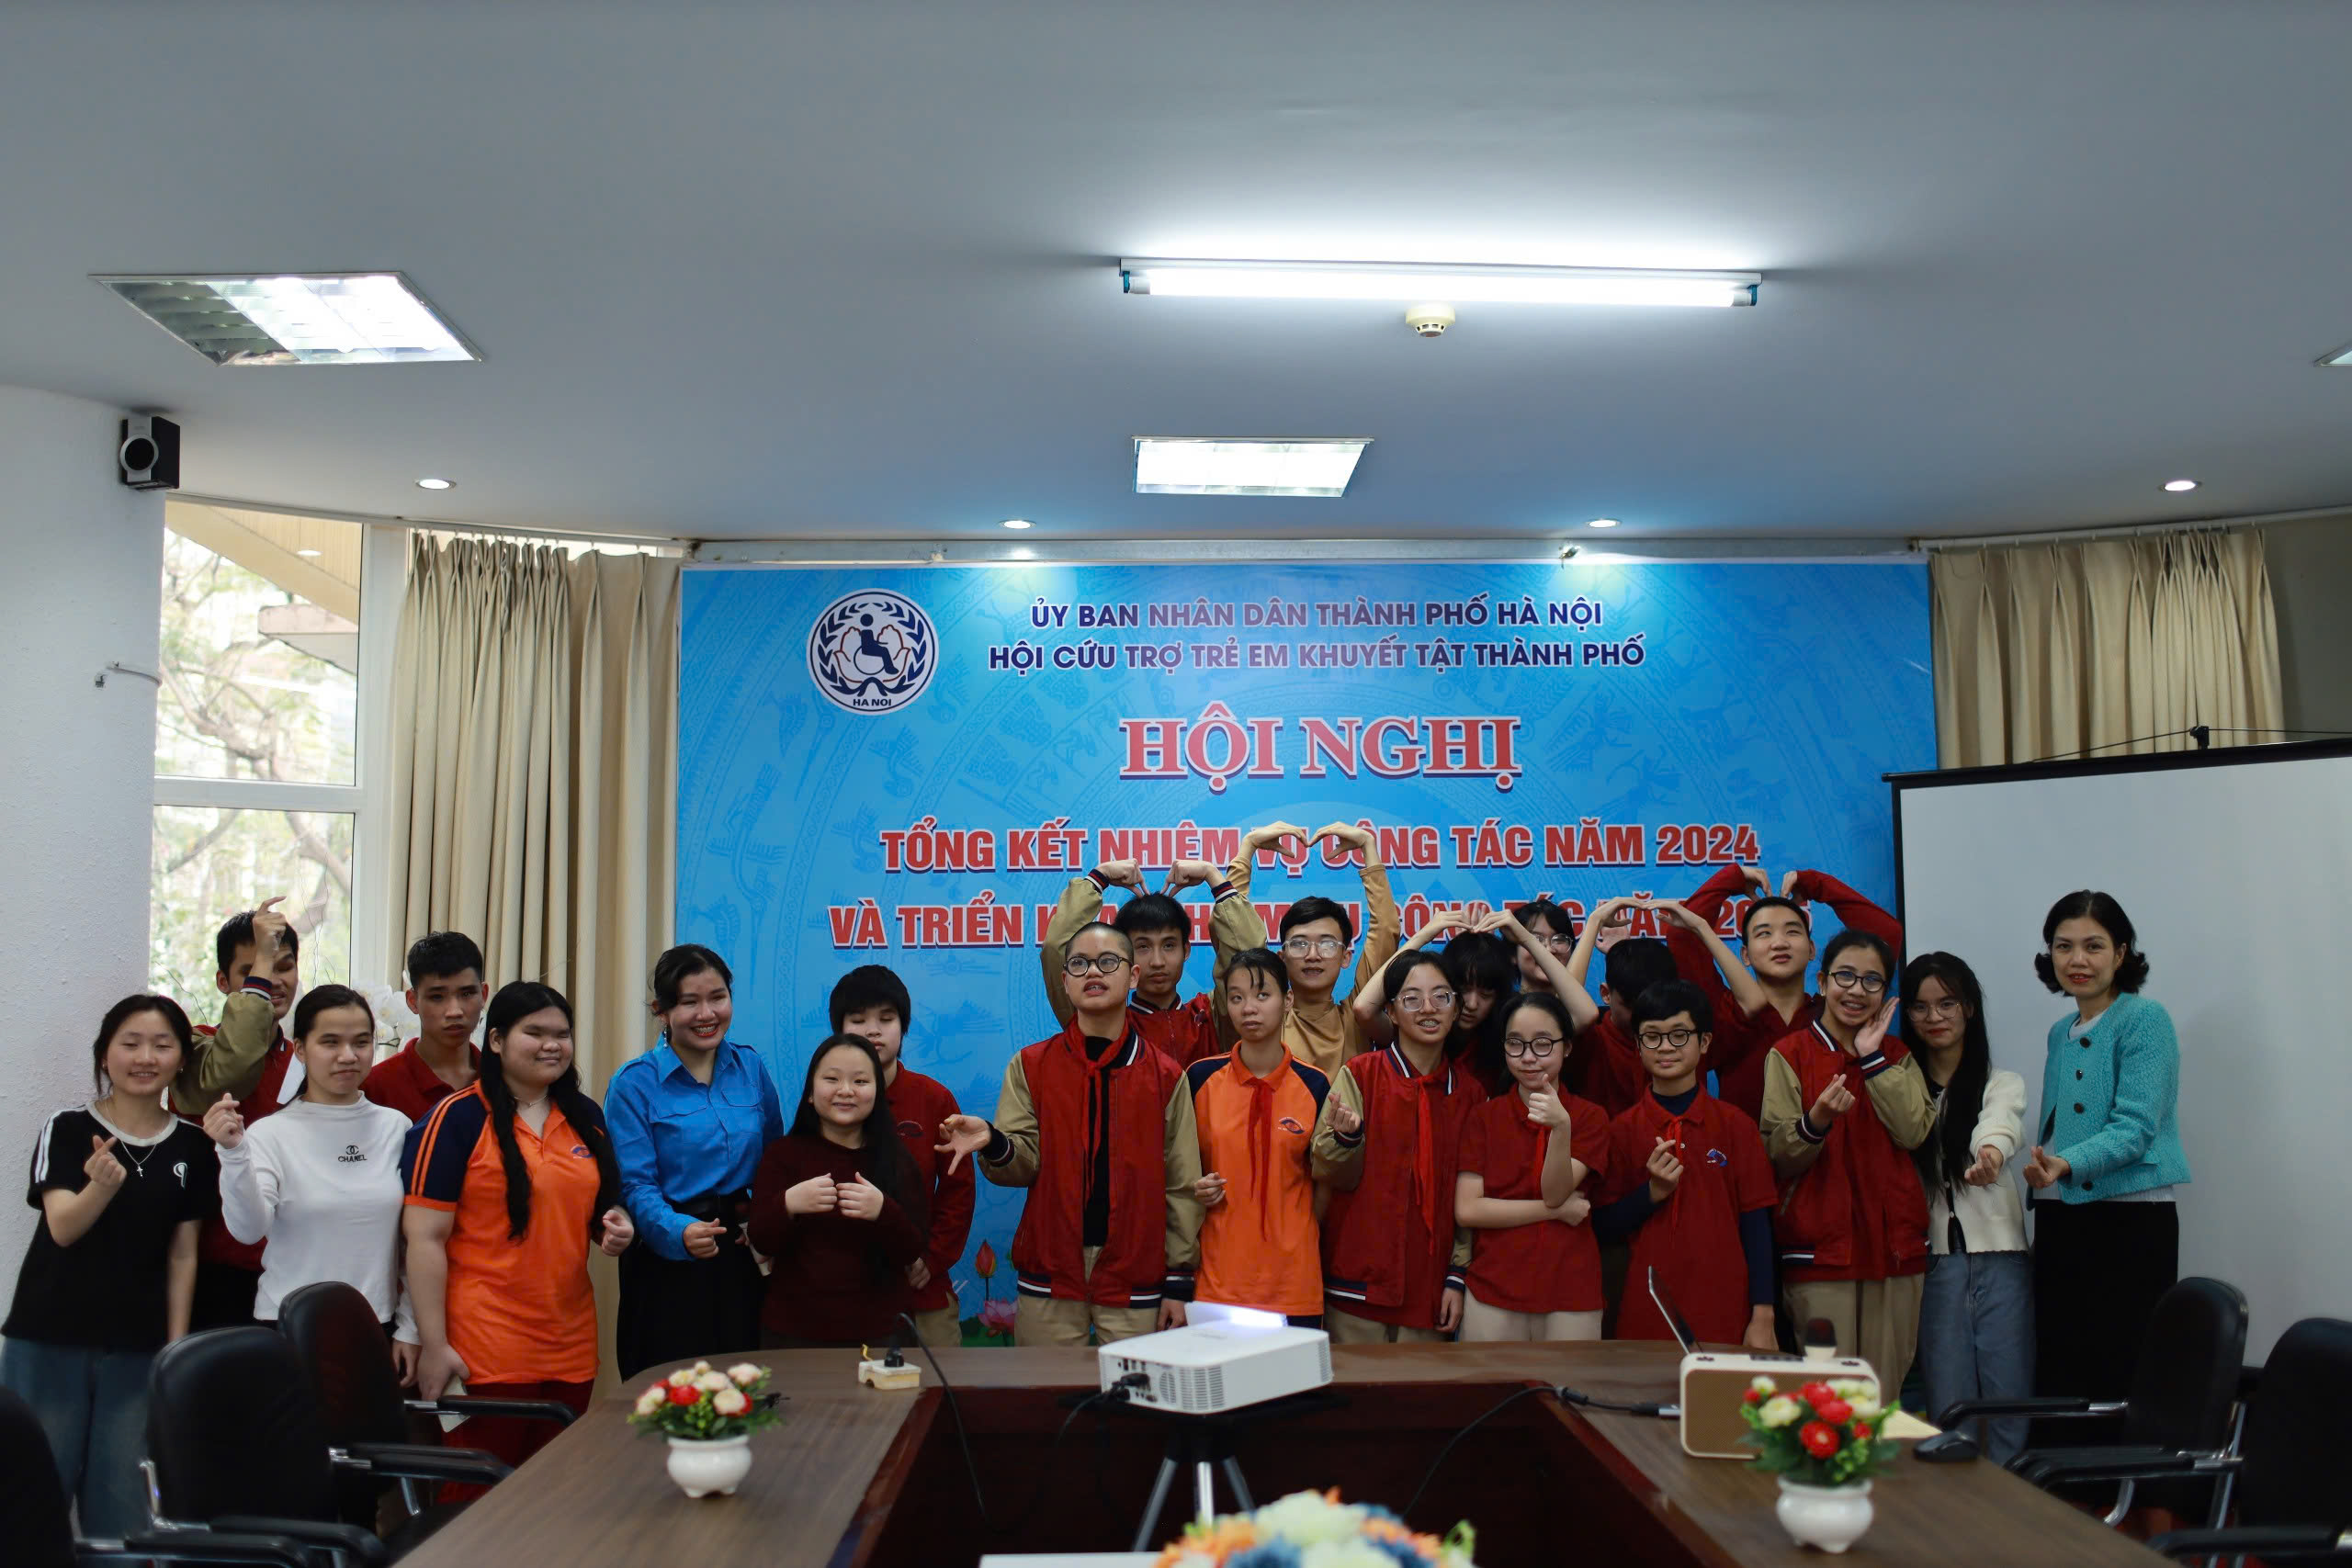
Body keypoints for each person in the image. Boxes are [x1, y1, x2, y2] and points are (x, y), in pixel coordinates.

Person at [402, 982, 634, 1485]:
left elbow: (600, 1207)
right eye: (535, 1033)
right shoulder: (455, 1119)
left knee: (555, 1494)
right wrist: (434, 1345)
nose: (552, 1045)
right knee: (479, 1501)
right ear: (496, 1041)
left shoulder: (585, 1116)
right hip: (483, 1349)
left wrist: (616, 1226)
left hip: (570, 1346)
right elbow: (423, 1240)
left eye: (562, 1034)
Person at [2, 996, 216, 1537]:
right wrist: (99, 1187)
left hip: (139, 1348)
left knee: (122, 1501)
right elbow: (63, 1228)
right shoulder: (68, 1127)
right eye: (130, 1044)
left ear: (181, 1059)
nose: (146, 1058)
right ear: (104, 1055)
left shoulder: (193, 1145)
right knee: (32, 1492)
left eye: (162, 1045)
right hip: (49, 1339)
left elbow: (184, 1252)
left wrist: (174, 1348)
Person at [936, 922, 1204, 1347]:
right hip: (1050, 1278)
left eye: (1108, 962)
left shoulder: (1166, 1076)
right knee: (1044, 1390)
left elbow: (1182, 1185)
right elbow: (1019, 1167)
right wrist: (995, 1140)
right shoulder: (1031, 1065)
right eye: (1080, 964)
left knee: (1137, 1390)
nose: (1093, 972)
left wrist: (1178, 1281)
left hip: (1136, 1281)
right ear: (1065, 981)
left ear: (1133, 976)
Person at [2021, 891, 2188, 1418]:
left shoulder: (2145, 1018)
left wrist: (2066, 1165)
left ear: (2120, 953)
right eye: (2063, 946)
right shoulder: (2060, 1031)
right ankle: (2063, 1470)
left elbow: (2136, 1128)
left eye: (2093, 946)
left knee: (2123, 1361)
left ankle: (2122, 1472)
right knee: (2061, 1359)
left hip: (2129, 1221)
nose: (2077, 960)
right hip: (2062, 1215)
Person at [1758, 930, 1933, 1389]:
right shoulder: (1790, 1053)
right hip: (1820, 1252)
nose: (1856, 990)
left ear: (1885, 993)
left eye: (1872, 981)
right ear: (1821, 982)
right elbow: (1777, 1154)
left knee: (1882, 1395)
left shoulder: (1897, 1056)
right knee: (1829, 1397)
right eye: (1845, 977)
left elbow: (1914, 1131)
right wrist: (1814, 1121)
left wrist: (1872, 1060)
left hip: (1894, 1251)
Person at [202, 986, 416, 1355]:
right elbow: (249, 1231)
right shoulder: (271, 1133)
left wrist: (411, 1329)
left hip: (375, 1325)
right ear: (300, 1048)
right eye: (330, 1042)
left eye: (361, 1042)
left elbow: (413, 1240)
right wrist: (234, 1154)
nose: (348, 1056)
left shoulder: (396, 1127)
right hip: (289, 1327)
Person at [605, 945, 785, 1376]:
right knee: (673, 1391)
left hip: (742, 1252)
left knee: (746, 1386)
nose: (707, 1014)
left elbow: (777, 1160)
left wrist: (766, 1224)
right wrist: (678, 1231)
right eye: (690, 1002)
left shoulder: (750, 1066)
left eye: (717, 997)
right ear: (662, 1011)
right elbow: (634, 1185)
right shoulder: (634, 1083)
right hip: (666, 1260)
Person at [1310, 951, 1485, 1342]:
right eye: (1412, 999)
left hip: (1431, 1285)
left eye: (1441, 997)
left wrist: (1457, 1276)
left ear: (1456, 1008)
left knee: (1419, 1383)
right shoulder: (1361, 1074)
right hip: (1356, 1282)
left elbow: (1470, 1194)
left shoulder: (1471, 1094)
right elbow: (1325, 1171)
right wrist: (1346, 1139)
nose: (1428, 1008)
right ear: (1390, 1011)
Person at [1595, 980, 1778, 1350]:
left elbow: (1757, 1227)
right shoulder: (1620, 1130)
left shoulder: (1736, 1126)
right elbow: (1602, 1227)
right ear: (1637, 1046)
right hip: (1645, 1311)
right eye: (1652, 1037)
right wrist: (1650, 1194)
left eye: (1679, 1035)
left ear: (1704, 1042)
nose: (1665, 1047)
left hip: (1725, 1307)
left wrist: (1764, 1315)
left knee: (1718, 1390)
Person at [1903, 952, 2032, 1465]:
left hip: (2002, 1259)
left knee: (2009, 1396)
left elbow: (2001, 1121)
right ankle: (1957, 1502)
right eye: (1920, 1006)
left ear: (1969, 1008)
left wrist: (1991, 1153)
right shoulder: (1902, 1087)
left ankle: (2014, 1498)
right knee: (1949, 1403)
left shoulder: (2001, 1082)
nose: (1934, 1017)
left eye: (1947, 1003)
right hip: (1934, 1263)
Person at [1662, 866, 1903, 1120]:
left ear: (1812, 949)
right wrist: (1732, 877)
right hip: (1742, 1144)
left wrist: (1817, 884)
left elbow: (1885, 939)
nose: (1779, 943)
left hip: (1829, 1144)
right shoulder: (1727, 1014)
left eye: (1792, 931)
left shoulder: (1836, 1013)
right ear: (1745, 955)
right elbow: (1682, 935)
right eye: (1764, 933)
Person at [746, 1035, 928, 1347]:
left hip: (882, 1333)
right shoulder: (782, 1156)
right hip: (793, 1332)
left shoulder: (897, 1160)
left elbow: (913, 1250)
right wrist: (788, 1204)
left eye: (860, 1081)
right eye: (832, 1079)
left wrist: (883, 1211)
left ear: (877, 1094)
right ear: (810, 1093)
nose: (846, 1090)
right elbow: (761, 1241)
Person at [172, 899, 301, 1329]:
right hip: (214, 1270)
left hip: (293, 1270)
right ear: (223, 982)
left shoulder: (309, 1058)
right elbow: (236, 1063)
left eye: (284, 966)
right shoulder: (195, 1050)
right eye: (254, 970)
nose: (274, 980)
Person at [832, 964, 975, 1350]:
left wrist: (932, 1258)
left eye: (886, 1019)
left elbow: (958, 1190)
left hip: (920, 1285)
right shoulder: (825, 1099)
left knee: (937, 1384)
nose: (873, 1031)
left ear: (904, 1026)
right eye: (858, 1020)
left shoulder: (933, 1098)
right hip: (844, 1291)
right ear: (839, 1030)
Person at [1185, 949, 1330, 1325]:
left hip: (1294, 1282)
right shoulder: (1199, 1079)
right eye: (1237, 998)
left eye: (1262, 995)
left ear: (1288, 1001)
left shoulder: (1315, 1085)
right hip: (1218, 1281)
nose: (1249, 1008)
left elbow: (1326, 1186)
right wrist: (1195, 1188)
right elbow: (1177, 1173)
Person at [1454, 993, 1609, 1341]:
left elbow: (1555, 1192)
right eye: (1515, 1044)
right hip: (1493, 1288)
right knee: (1490, 1379)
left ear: (1567, 1047)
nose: (1527, 1057)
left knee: (1571, 1379)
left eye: (1542, 1044)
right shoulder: (1484, 1118)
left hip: (1570, 1291)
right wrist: (1556, 1213)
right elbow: (1468, 1210)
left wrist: (1561, 1128)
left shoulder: (1590, 1118)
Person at [1040, 855, 1267, 1066]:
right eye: (1143, 947)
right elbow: (1057, 950)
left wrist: (1213, 875)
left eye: (1169, 945)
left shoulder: (1214, 1016)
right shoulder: (1104, 1022)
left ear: (1186, 950)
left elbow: (1252, 962)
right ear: (1125, 956)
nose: (1157, 962)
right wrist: (1099, 877)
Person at [1226, 820, 1398, 1077]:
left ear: (1345, 957)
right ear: (1281, 957)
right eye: (1299, 944)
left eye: (1327, 944)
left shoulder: (1357, 1018)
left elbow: (1386, 930)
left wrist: (1368, 846)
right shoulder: (1266, 1020)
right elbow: (1233, 932)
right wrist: (1247, 848)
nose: (1312, 955)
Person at [1562, 907, 1688, 1118]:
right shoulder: (1589, 1039)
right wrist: (1594, 922)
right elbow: (1563, 1010)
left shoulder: (1684, 1040)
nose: (1643, 1017)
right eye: (1631, 1006)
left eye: (1652, 1005)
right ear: (1606, 994)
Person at [363, 931, 486, 1123]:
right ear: (413, 1001)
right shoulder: (375, 1087)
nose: (454, 1011)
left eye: (467, 994)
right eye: (437, 997)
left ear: (484, 995)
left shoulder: (504, 1080)